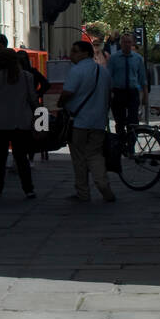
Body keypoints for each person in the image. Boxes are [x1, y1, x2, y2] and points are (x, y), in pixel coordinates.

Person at [58, 40, 116, 203]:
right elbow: (109, 94)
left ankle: (83, 193)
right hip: (98, 121)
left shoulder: (76, 71)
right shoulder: (103, 71)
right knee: (95, 155)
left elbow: (68, 92)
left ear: (85, 53)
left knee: (79, 157)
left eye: (75, 51)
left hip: (79, 121)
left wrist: (60, 103)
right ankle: (103, 185)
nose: (71, 54)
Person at [0, 49, 37, 199]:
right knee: (21, 157)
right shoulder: (26, 76)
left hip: (1, 122)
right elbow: (32, 99)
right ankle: (28, 189)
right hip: (21, 121)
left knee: (0, 158)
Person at [107, 32, 146, 152]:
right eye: (124, 42)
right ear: (121, 44)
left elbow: (142, 78)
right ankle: (121, 144)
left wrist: (145, 95)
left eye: (129, 42)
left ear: (132, 43)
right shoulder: (114, 58)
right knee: (119, 121)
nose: (127, 44)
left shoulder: (138, 59)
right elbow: (109, 76)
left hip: (132, 92)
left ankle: (131, 145)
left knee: (133, 121)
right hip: (118, 92)